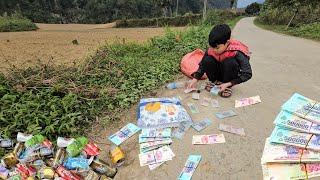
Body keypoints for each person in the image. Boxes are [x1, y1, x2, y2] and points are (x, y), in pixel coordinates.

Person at [187, 24, 252, 98]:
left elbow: (247, 73)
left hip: (229, 77)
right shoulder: (211, 50)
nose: (214, 50)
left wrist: (230, 83)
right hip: (216, 75)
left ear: (227, 42)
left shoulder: (237, 51)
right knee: (207, 59)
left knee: (230, 62)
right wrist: (195, 79)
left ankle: (226, 86)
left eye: (217, 48)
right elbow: (202, 65)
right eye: (212, 47)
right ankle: (215, 82)